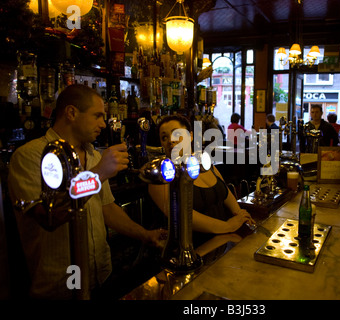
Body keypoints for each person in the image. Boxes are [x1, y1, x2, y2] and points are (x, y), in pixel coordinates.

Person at [8, 84, 166, 299]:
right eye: (97, 116)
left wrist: (145, 235)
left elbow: (107, 208)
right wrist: (98, 174)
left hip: (100, 274)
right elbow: (49, 217)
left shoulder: (93, 155)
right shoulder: (31, 156)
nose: (103, 124)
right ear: (72, 113)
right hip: (59, 284)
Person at [148, 115, 255, 247]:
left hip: (223, 243)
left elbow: (227, 196)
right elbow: (182, 216)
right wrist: (227, 226)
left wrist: (241, 217)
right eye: (164, 137)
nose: (170, 141)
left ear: (191, 136)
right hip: (190, 250)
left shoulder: (206, 166)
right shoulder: (161, 177)